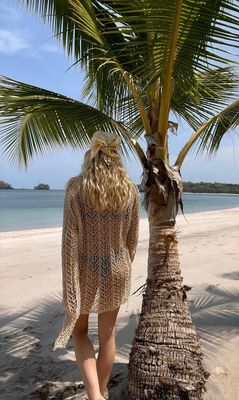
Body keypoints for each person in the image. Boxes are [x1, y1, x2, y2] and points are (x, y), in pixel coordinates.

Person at [52, 131, 140, 400]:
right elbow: (132, 239)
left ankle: (94, 396)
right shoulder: (131, 191)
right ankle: (100, 393)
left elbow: (70, 240)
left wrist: (69, 285)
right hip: (118, 268)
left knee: (79, 332)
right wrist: (121, 265)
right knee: (108, 336)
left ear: (91, 155)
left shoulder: (76, 188)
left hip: (84, 271)